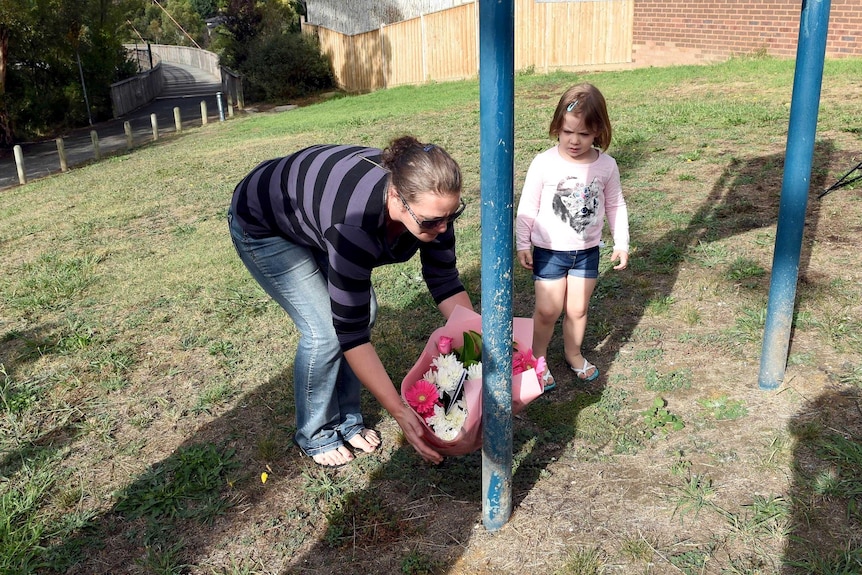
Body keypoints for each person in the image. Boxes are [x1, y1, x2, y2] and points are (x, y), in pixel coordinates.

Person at [228, 135, 472, 467]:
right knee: (326, 330)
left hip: (313, 214)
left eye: (451, 215)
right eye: (431, 222)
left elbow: (444, 280)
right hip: (264, 223)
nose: (443, 228)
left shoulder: (434, 208)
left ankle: (346, 419)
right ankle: (316, 433)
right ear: (397, 197)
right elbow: (350, 334)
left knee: (363, 311)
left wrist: (478, 345)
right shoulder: (352, 224)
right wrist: (400, 411)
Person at [515, 83, 629, 390]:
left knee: (578, 309)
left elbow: (616, 203)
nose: (574, 141)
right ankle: (537, 358)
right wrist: (523, 243)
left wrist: (621, 242)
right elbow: (528, 204)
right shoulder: (544, 163)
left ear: (598, 132)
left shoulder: (607, 166)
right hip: (549, 251)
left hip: (587, 251)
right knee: (547, 310)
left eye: (584, 134)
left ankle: (573, 353)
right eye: (567, 132)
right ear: (557, 127)